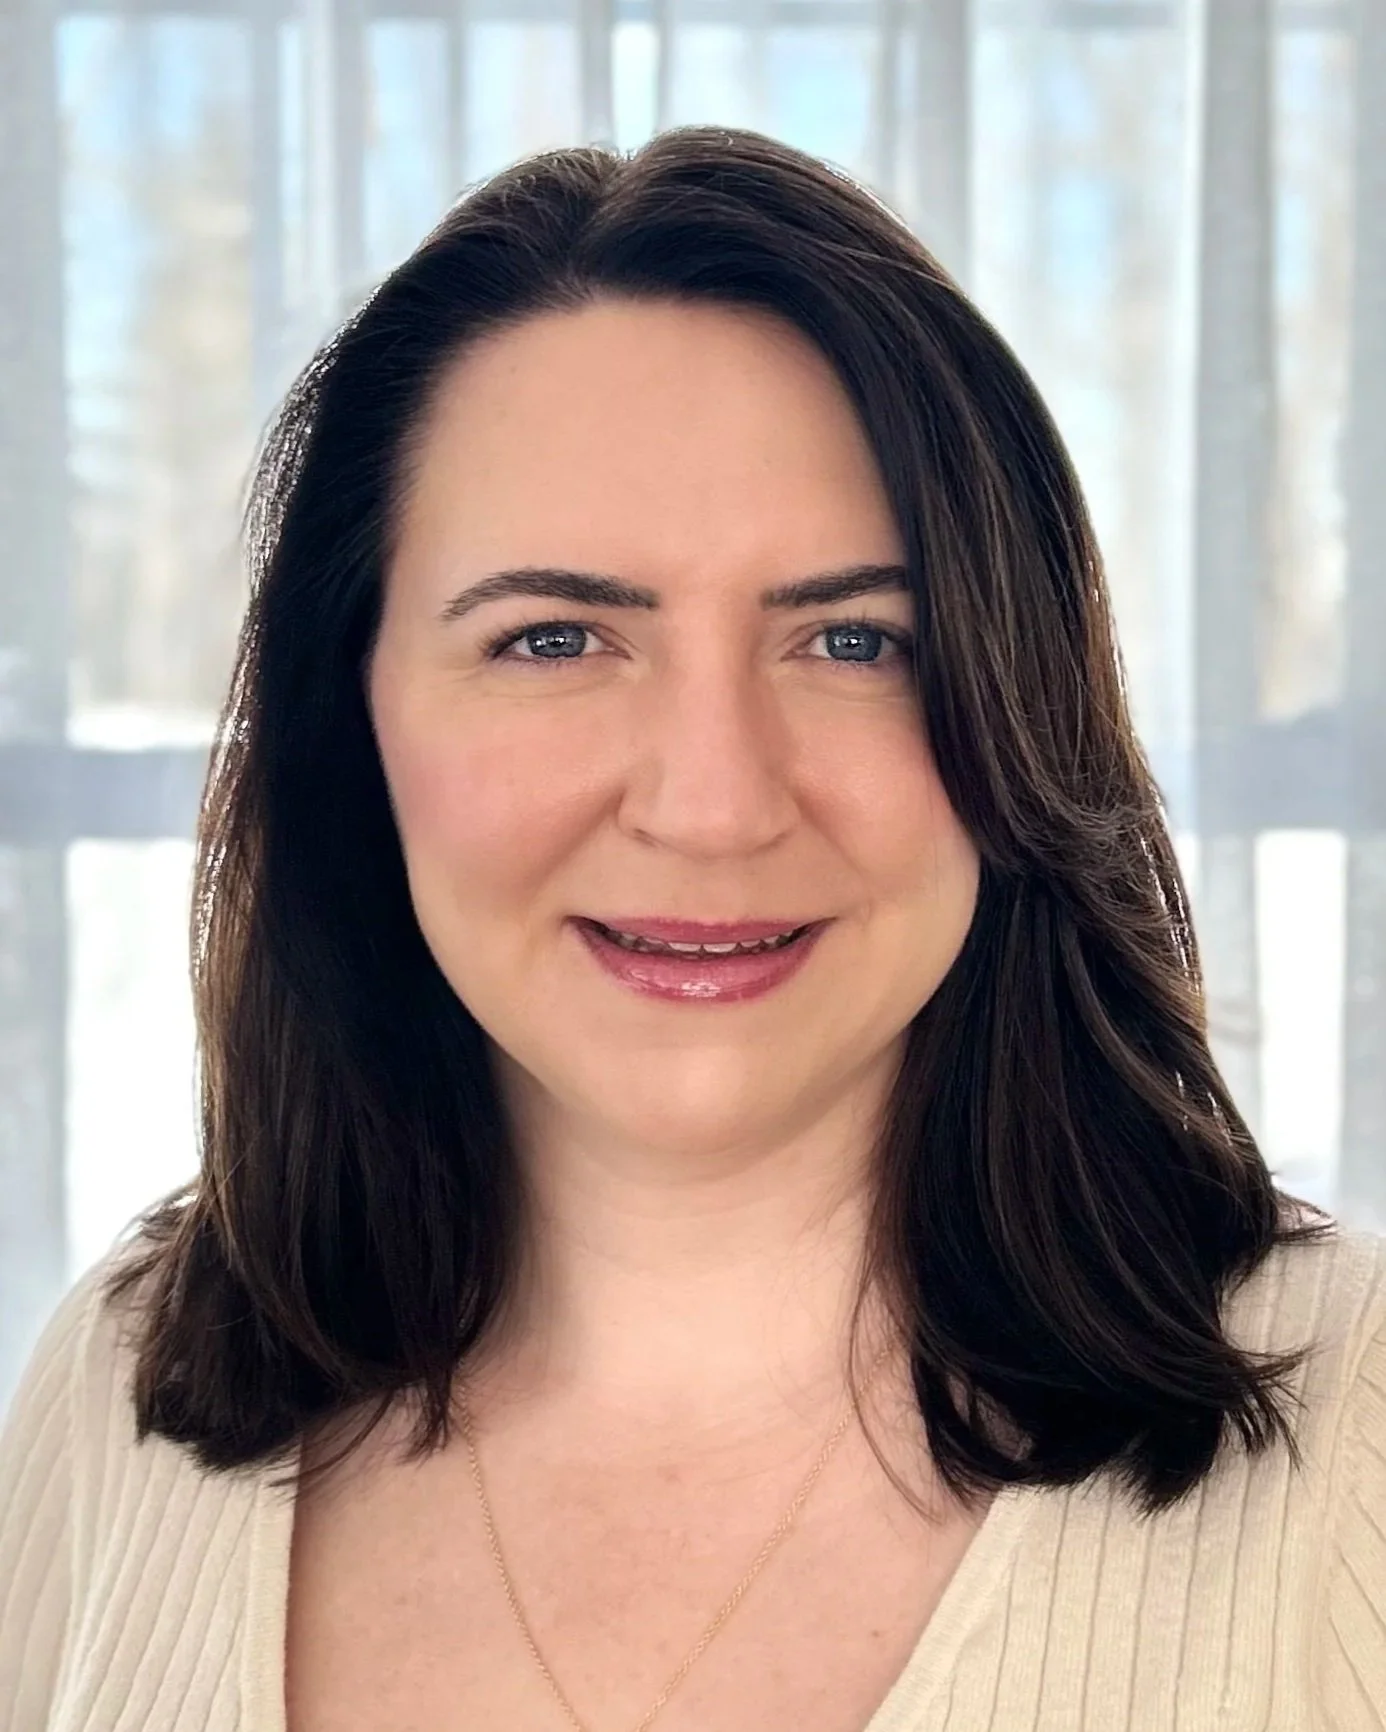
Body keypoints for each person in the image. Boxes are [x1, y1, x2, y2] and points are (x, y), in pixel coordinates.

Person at [1, 123, 1383, 1732]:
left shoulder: (1355, 1437)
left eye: (854, 639)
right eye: (554, 638)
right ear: (347, 724)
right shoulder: (118, 1393)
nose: (715, 804)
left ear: (1019, 711)